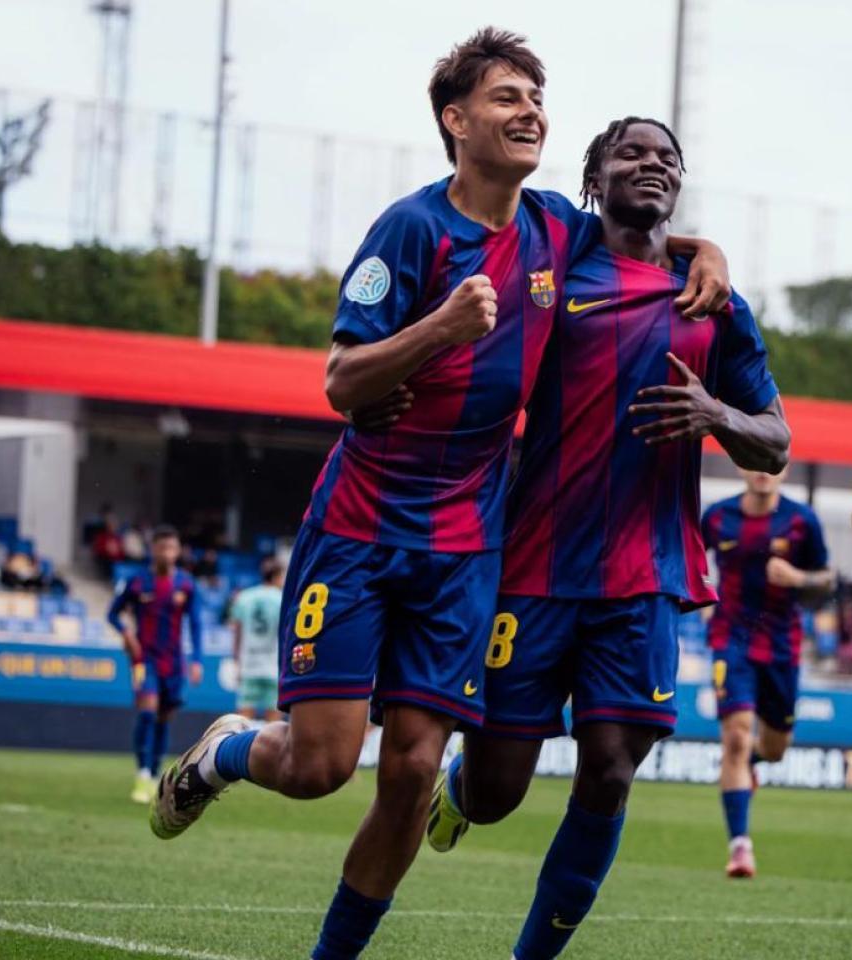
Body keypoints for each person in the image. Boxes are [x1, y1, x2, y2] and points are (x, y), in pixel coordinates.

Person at [149, 31, 731, 960]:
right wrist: (441, 326)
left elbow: (644, 225)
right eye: (506, 97)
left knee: (417, 770)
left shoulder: (554, 229)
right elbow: (341, 381)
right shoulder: (411, 230)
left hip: (466, 549)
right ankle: (226, 750)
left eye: (537, 96)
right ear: (456, 123)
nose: (529, 110)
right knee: (320, 768)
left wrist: (709, 252)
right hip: (362, 528)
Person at [423, 115, 787, 960]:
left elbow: (775, 437)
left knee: (612, 766)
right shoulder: (556, 246)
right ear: (596, 174)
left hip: (644, 573)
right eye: (631, 153)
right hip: (534, 565)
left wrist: (715, 414)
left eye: (666, 159)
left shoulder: (714, 302)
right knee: (499, 792)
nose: (650, 165)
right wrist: (708, 244)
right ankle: (462, 791)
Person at [700, 466, 832, 878]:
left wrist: (798, 577)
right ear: (740, 465)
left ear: (784, 467)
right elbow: (687, 559)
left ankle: (751, 763)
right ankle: (740, 847)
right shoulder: (718, 517)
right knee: (736, 736)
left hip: (781, 646)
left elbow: (827, 580)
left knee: (775, 748)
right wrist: (702, 603)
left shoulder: (800, 519)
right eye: (753, 462)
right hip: (730, 640)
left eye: (771, 462)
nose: (762, 471)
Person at [107, 526, 204, 804]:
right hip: (144, 659)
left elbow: (195, 623)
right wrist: (126, 634)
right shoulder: (137, 582)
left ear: (178, 551)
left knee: (163, 719)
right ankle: (143, 774)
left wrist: (196, 659)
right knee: (147, 713)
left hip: (173, 662)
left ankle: (157, 774)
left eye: (172, 548)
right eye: (162, 548)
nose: (167, 553)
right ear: (153, 550)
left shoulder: (186, 584)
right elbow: (112, 613)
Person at [229, 556, 286, 722]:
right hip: (273, 666)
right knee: (274, 722)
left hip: (249, 664)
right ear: (277, 576)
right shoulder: (283, 598)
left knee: (242, 721)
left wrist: (236, 660)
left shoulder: (244, 597)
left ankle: (242, 748)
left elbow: (237, 632)